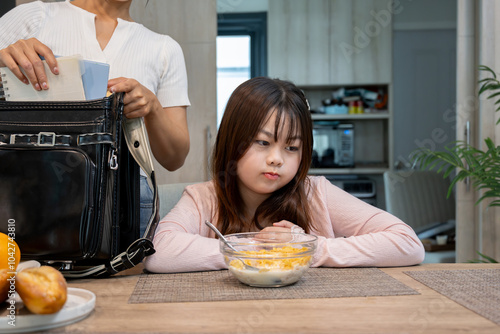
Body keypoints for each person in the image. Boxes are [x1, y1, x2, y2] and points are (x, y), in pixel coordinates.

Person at [144, 77, 425, 273]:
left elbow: (407, 243)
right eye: (263, 143)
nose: (276, 159)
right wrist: (250, 249)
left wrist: (308, 249)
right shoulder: (204, 198)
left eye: (291, 147)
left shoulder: (315, 193)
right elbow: (158, 252)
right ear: (233, 141)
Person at [0, 0, 191, 235]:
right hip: (33, 191)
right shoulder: (34, 17)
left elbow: (175, 158)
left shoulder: (164, 48)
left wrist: (153, 107)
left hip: (127, 203)